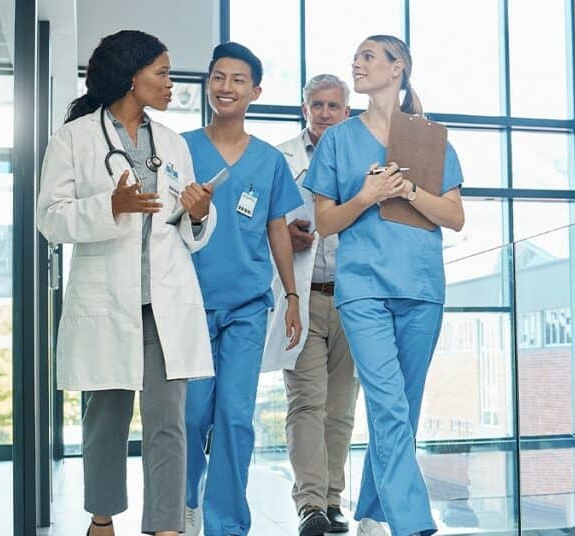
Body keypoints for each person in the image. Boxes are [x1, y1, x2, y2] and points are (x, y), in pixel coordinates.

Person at [36, 30, 216, 536]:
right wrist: (109, 206)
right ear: (130, 76)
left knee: (168, 424)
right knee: (105, 422)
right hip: (106, 301)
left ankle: (166, 526)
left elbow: (184, 224)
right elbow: (50, 219)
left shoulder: (174, 142)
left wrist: (199, 214)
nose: (169, 82)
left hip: (164, 303)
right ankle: (102, 518)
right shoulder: (73, 139)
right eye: (160, 72)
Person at [302, 35, 465, 536]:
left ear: (398, 69)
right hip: (363, 290)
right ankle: (413, 521)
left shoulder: (431, 139)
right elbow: (325, 222)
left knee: (404, 409)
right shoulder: (337, 140)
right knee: (388, 403)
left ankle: (372, 509)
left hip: (420, 288)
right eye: (356, 57)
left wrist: (409, 190)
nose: (357, 63)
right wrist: (369, 195)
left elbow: (454, 216)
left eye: (369, 56)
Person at [182, 42, 304, 536]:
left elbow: (278, 227)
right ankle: (185, 502)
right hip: (188, 304)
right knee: (190, 417)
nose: (225, 87)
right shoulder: (181, 148)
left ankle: (226, 523)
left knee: (235, 417)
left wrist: (292, 297)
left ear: (255, 91)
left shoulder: (269, 160)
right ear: (208, 84)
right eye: (217, 77)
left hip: (249, 307)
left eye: (237, 80)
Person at [262, 74, 359, 536]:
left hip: (353, 301)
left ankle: (334, 500)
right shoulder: (280, 158)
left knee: (340, 409)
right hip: (301, 297)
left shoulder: (363, 156)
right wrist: (282, 234)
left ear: (347, 111)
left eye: (333, 105)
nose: (324, 112)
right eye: (316, 104)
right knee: (306, 403)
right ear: (304, 109)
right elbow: (262, 223)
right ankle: (310, 505)